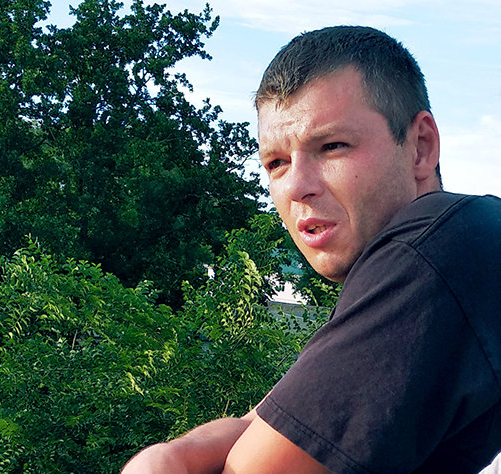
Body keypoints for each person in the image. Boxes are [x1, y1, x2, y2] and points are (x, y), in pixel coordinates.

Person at [122, 25, 501, 473]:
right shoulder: (458, 246)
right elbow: (259, 426)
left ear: (420, 147)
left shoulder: (436, 250)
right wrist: (170, 455)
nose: (296, 187)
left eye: (332, 146)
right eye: (276, 163)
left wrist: (166, 459)